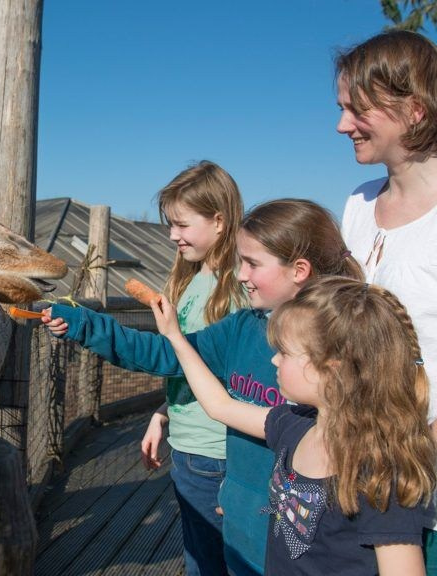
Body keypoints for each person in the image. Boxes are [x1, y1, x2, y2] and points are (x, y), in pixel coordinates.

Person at [42, 198, 362, 576]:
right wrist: (87, 326)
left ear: (299, 270)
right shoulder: (243, 327)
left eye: (253, 264)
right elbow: (171, 356)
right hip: (242, 522)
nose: (241, 275)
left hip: (301, 541)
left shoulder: (341, 345)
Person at [146, 276, 437, 575]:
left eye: (284, 352)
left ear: (330, 369)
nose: (273, 360)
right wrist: (175, 337)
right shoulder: (293, 426)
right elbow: (220, 406)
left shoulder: (381, 474)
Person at [336, 30, 437, 571]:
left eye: (357, 110)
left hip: (422, 484)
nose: (341, 125)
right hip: (357, 471)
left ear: (414, 110)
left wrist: (412, 456)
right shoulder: (357, 203)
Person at [138, 160, 247, 575]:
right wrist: (161, 414)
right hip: (189, 444)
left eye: (182, 224)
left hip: (214, 452)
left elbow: (219, 368)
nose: (171, 235)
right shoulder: (191, 279)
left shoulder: (235, 288)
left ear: (219, 221)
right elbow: (191, 365)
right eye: (170, 224)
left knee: (212, 562)